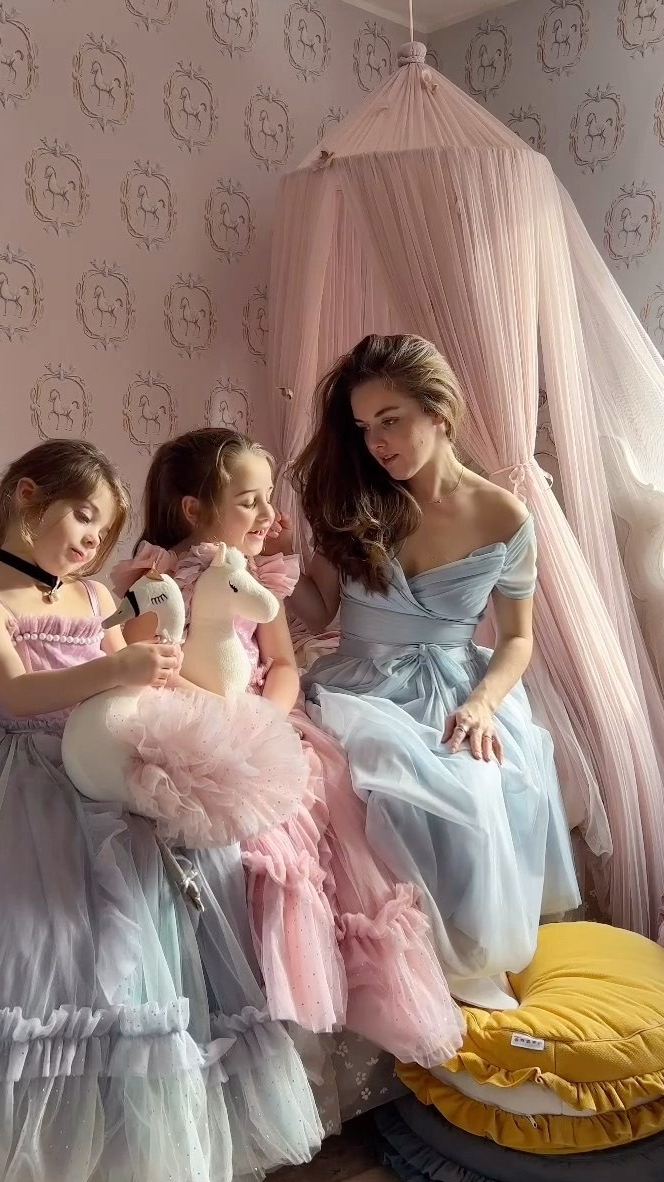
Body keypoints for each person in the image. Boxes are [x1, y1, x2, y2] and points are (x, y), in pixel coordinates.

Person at [0, 440, 321, 1182]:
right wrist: (113, 666)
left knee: (161, 934)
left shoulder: (93, 594)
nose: (93, 539)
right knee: (46, 950)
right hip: (32, 777)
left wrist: (193, 690)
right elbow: (13, 692)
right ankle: (55, 1163)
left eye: (105, 527)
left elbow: (144, 675)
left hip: (111, 768)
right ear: (27, 497)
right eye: (83, 516)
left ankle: (134, 1152)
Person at [113, 427, 463, 1067]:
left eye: (268, 498)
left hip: (263, 717)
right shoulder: (155, 580)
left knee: (323, 807)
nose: (270, 516)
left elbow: (282, 664)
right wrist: (218, 712)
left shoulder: (259, 577)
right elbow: (149, 666)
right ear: (193, 510)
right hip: (187, 716)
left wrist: (268, 716)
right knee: (237, 831)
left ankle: (331, 984)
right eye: (250, 502)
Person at [278, 333, 581, 1010]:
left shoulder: (503, 515)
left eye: (390, 421)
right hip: (361, 682)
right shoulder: (352, 500)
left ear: (438, 411)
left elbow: (518, 639)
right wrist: (279, 564)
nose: (376, 443)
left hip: (458, 686)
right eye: (364, 427)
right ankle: (400, 976)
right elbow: (320, 610)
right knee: (384, 769)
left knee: (480, 784)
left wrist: (482, 703)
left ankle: (466, 970)